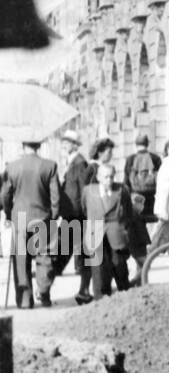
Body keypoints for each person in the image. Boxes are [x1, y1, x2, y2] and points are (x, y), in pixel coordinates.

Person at [2, 139, 62, 308]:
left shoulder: (12, 167)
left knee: (21, 259)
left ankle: (25, 300)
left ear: (23, 146)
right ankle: (43, 291)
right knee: (44, 256)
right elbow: (56, 196)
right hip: (42, 216)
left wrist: (8, 213)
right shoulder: (49, 166)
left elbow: (5, 195)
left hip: (19, 217)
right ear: (39, 146)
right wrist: (54, 216)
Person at [51, 130, 96, 304]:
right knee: (66, 251)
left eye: (67, 142)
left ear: (74, 145)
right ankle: (47, 286)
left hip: (76, 215)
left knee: (76, 253)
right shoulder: (72, 162)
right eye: (63, 142)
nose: (64, 145)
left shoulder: (79, 163)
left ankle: (82, 290)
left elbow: (84, 190)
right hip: (71, 215)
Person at [84, 161, 132, 299]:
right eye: (106, 177)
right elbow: (84, 208)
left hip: (115, 230)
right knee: (98, 266)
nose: (109, 180)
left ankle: (124, 293)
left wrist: (122, 227)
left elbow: (128, 211)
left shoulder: (121, 190)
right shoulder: (88, 191)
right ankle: (100, 297)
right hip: (96, 230)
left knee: (119, 264)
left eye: (111, 176)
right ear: (98, 177)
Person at [123, 134, 161, 281]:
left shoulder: (131, 159)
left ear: (136, 144)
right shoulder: (156, 159)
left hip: (136, 201)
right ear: (148, 143)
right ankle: (141, 271)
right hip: (151, 201)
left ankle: (139, 271)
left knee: (137, 233)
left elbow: (126, 182)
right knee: (143, 235)